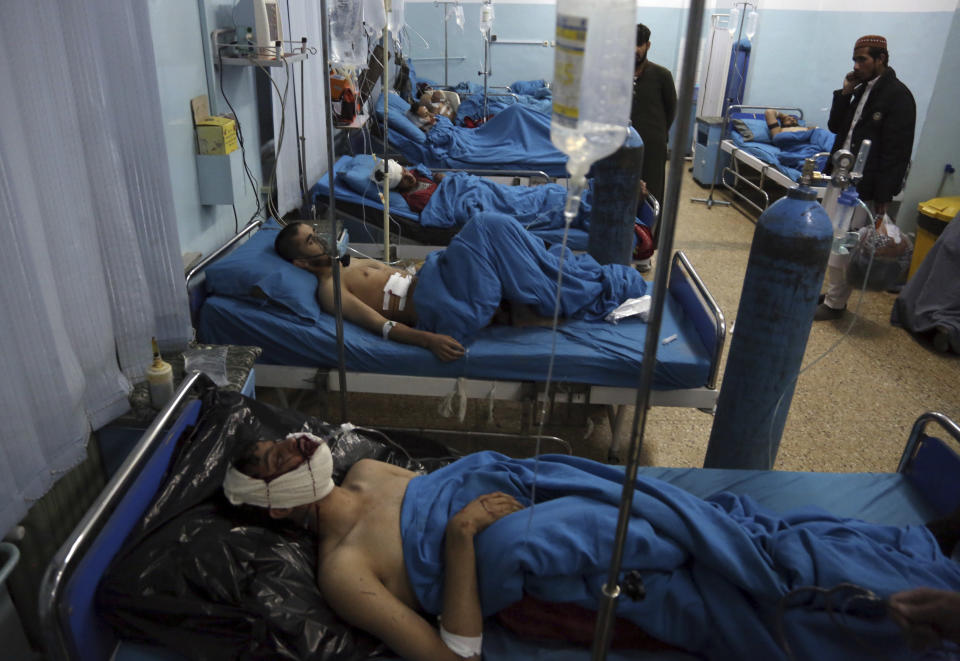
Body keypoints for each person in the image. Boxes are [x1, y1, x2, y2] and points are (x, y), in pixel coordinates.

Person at [222, 433, 960, 661]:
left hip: (544, 489)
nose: (290, 440)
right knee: (732, 572)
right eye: (268, 459)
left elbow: (475, 474)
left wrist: (489, 488)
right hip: (529, 556)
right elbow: (452, 659)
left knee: (739, 527)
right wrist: (464, 535)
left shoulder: (366, 465)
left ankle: (887, 559)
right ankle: (857, 605)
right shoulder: (343, 569)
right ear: (270, 502)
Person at [273, 215, 648, 360]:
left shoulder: (347, 260)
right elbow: (381, 326)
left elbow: (398, 274)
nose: (321, 238)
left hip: (437, 280)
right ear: (300, 264)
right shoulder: (330, 291)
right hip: (442, 307)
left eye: (314, 231)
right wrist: (429, 341)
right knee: (485, 226)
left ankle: (546, 290)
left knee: (495, 235)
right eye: (311, 241)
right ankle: (564, 291)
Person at [816, 34, 916, 321]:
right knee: (831, 236)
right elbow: (836, 126)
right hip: (840, 177)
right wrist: (845, 91)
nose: (857, 65)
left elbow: (897, 153)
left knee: (844, 242)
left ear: (881, 59)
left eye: (863, 60)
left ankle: (836, 304)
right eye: (855, 60)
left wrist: (884, 197)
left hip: (863, 187)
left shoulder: (898, 97)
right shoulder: (860, 90)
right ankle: (835, 292)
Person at [629, 23, 677, 209]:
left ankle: (651, 236)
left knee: (652, 195)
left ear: (647, 45)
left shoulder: (662, 75)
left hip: (653, 147)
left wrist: (658, 134)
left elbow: (671, 109)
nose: (634, 50)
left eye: (639, 44)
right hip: (621, 145)